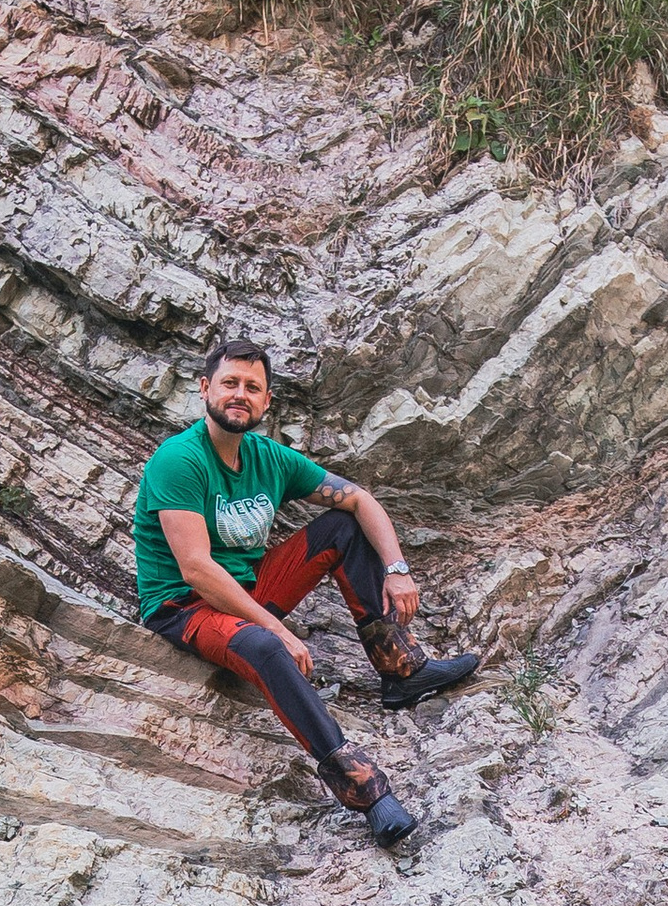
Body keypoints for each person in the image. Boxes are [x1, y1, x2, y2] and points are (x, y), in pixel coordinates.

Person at [134, 343, 478, 846]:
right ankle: (367, 792)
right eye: (229, 383)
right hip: (184, 608)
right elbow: (196, 569)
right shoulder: (179, 460)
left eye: (252, 388)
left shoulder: (267, 457)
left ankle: (402, 672)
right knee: (268, 648)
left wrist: (397, 569)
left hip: (249, 590)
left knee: (342, 526)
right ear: (205, 389)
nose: (239, 395)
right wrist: (276, 628)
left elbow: (360, 499)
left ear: (266, 401)